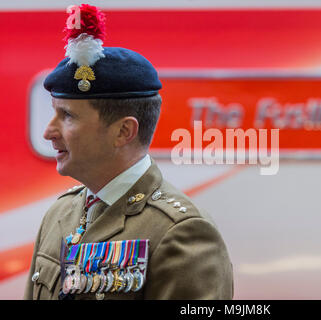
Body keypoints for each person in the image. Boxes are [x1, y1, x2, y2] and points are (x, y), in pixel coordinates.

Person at [23, 4, 233, 300]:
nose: (49, 131)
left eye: (68, 116)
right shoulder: (60, 213)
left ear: (123, 132)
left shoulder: (181, 231)